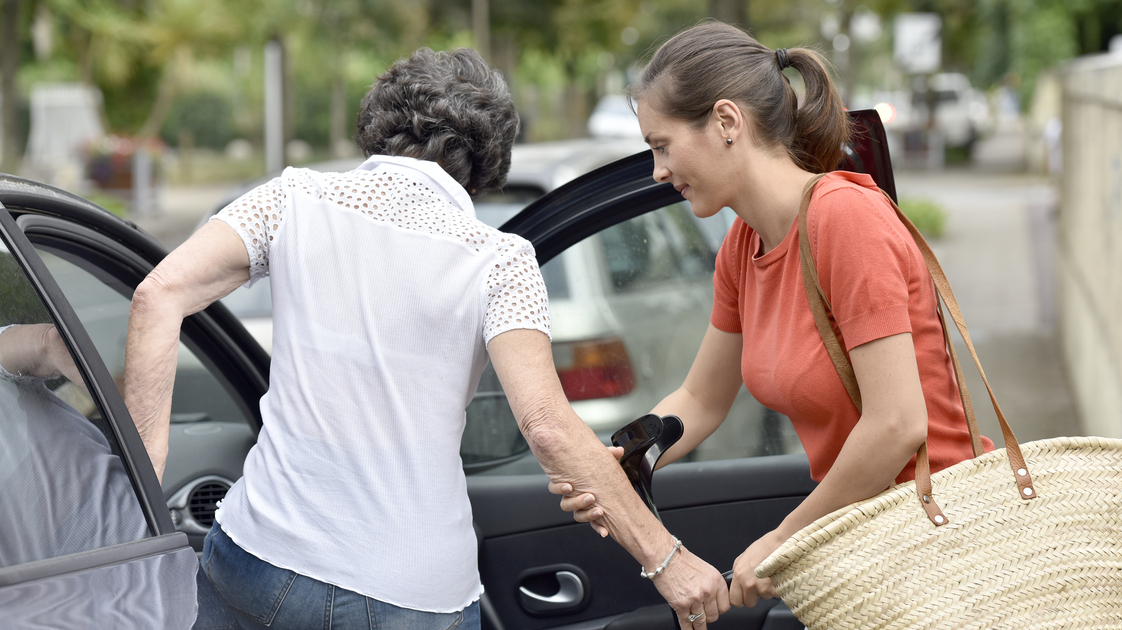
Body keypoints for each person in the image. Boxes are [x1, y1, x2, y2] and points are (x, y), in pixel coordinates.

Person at [123, 48, 728, 630]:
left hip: (261, 563)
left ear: (379, 123)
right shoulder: (499, 261)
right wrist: (665, 559)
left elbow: (157, 296)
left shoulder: (291, 200)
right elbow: (546, 426)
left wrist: (142, 491)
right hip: (414, 597)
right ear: (487, 159)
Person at [554, 21, 995, 611]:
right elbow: (701, 400)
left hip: (939, 545)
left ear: (727, 122)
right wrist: (620, 462)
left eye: (662, 145)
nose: (658, 171)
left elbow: (897, 424)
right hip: (863, 550)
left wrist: (785, 539)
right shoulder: (743, 246)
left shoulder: (846, 221)